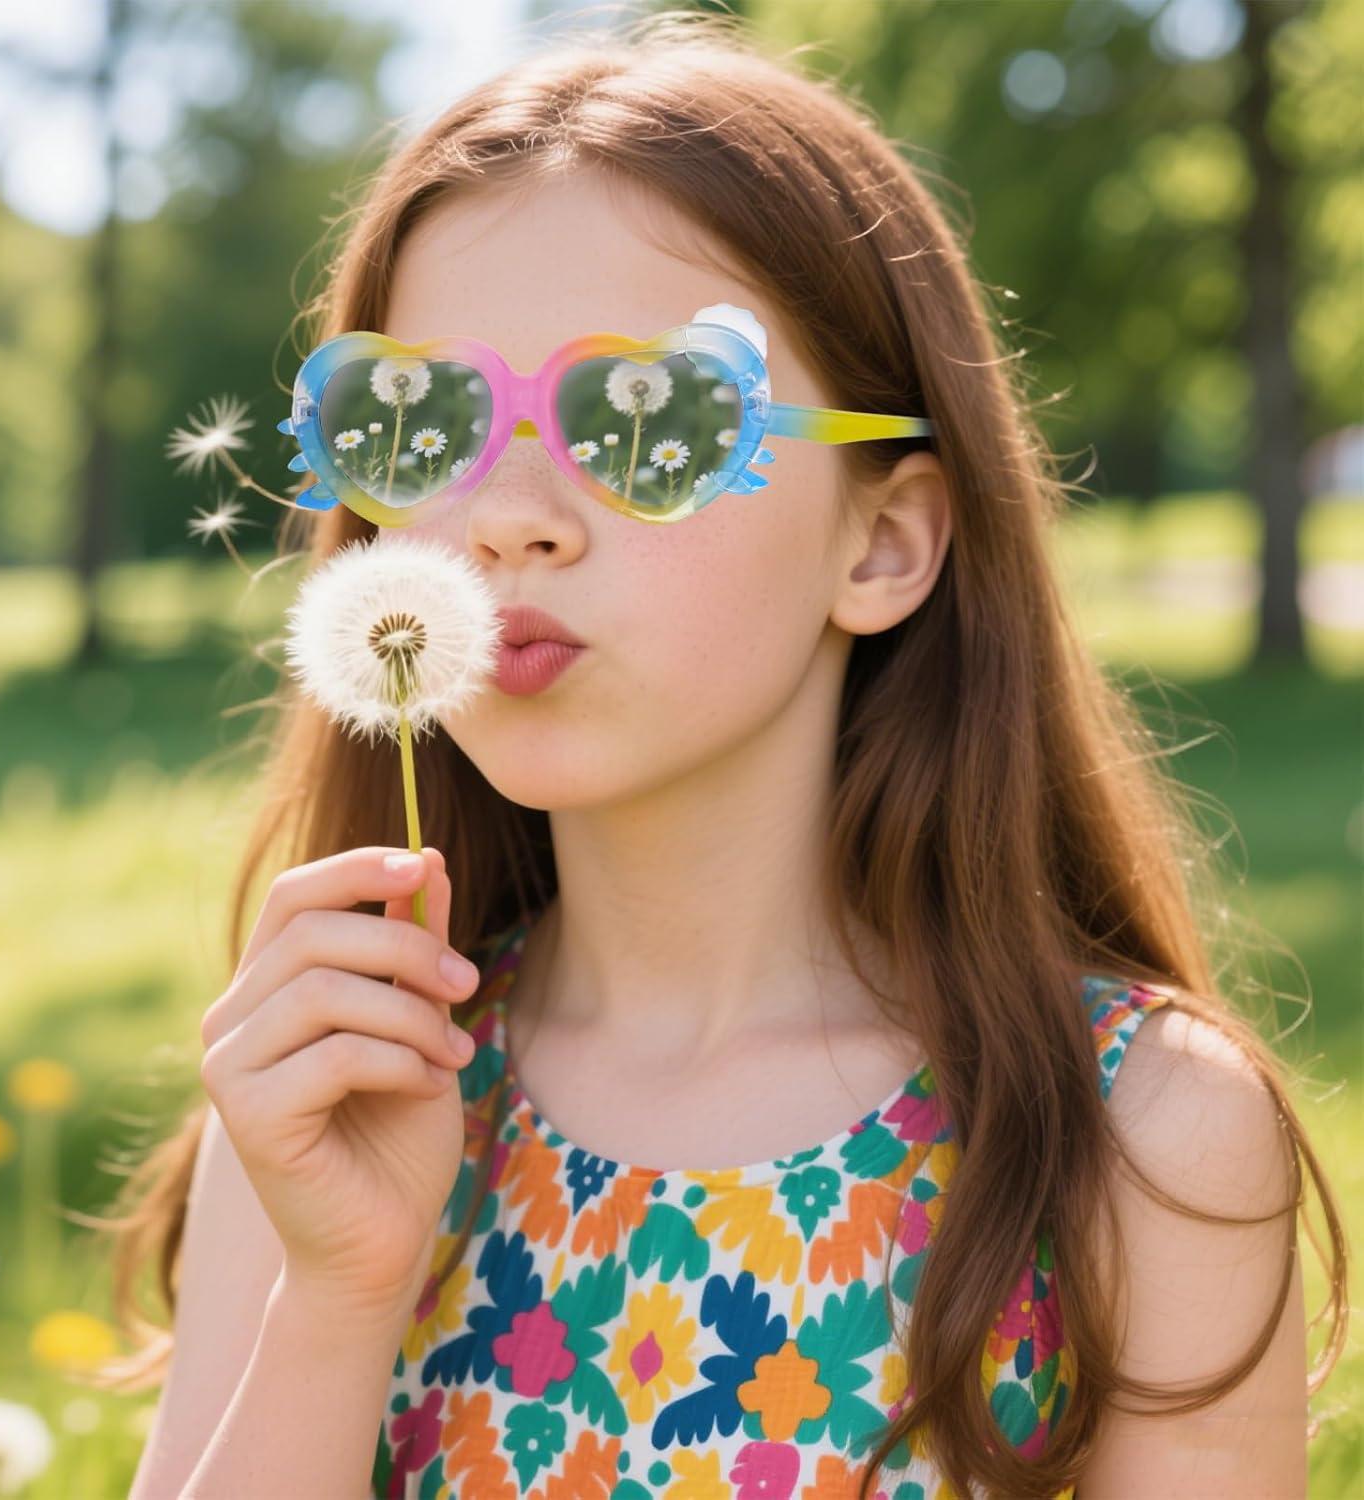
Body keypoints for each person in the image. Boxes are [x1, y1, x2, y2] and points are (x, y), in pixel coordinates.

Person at [106, 13, 1345, 1498]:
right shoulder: (349, 1082)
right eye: (422, 421)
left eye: (653, 420)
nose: (505, 514)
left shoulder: (1138, 1133)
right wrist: (339, 1295)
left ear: (883, 542)